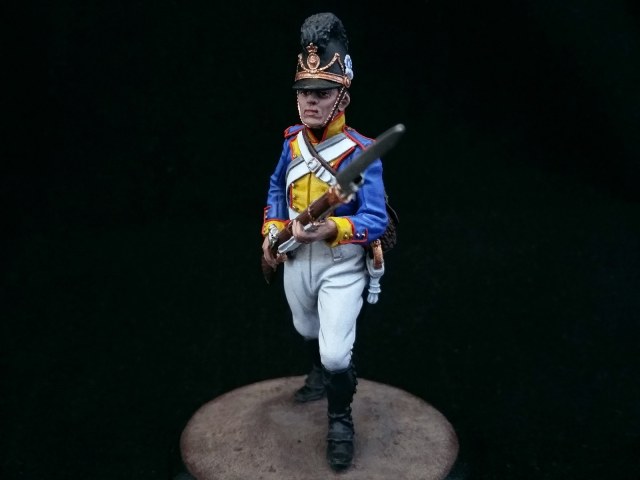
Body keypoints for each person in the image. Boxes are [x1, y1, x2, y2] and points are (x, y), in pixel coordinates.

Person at [260, 12, 389, 472]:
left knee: (336, 352)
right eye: (304, 93)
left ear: (342, 97)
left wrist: (334, 228)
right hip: (297, 256)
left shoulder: (361, 152)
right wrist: (271, 231)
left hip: (340, 262)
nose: (310, 102)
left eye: (321, 93)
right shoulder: (292, 143)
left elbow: (375, 219)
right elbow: (276, 188)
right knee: (305, 329)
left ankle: (340, 422)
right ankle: (318, 372)